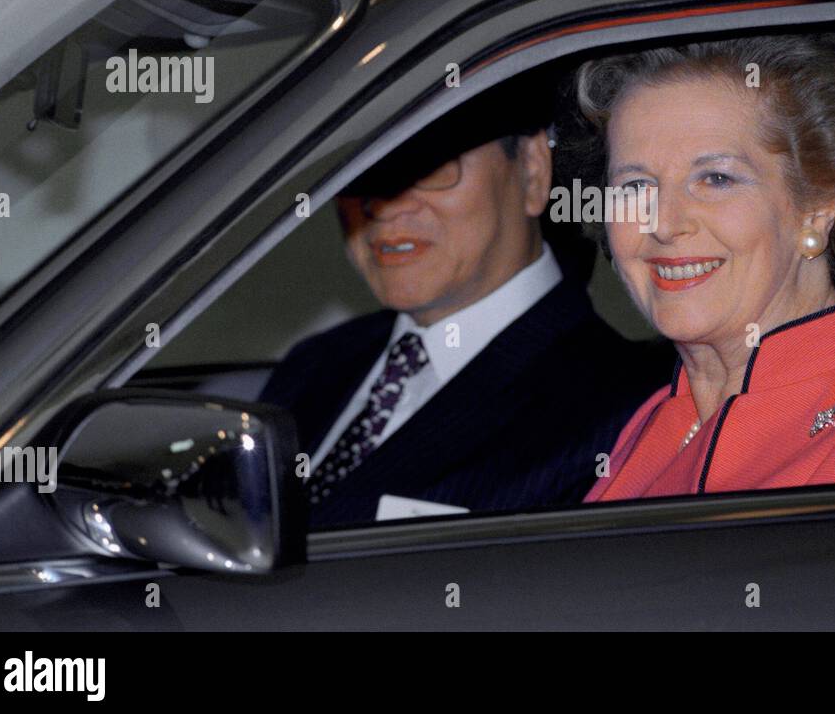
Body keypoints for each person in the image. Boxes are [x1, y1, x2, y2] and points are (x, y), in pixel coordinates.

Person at [560, 26, 835, 502]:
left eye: (716, 178)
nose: (664, 224)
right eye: (635, 186)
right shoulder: (667, 413)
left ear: (817, 204)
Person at [260, 95, 671, 526]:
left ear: (532, 169)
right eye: (360, 171)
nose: (385, 205)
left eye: (432, 166)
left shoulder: (618, 411)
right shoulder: (317, 361)